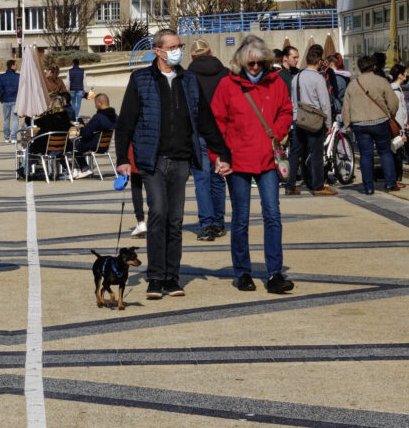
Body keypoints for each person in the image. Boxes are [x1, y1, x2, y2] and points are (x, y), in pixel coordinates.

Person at [115, 29, 204, 300]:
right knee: (158, 214)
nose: (177, 50)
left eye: (179, 45)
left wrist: (219, 153)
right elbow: (125, 122)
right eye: (172, 46)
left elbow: (204, 118)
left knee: (175, 221)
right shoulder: (140, 78)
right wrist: (122, 160)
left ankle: (171, 277)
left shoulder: (188, 79)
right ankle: (155, 277)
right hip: (152, 160)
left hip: (180, 160)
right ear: (157, 50)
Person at [208, 37, 295, 295]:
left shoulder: (276, 82)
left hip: (268, 159)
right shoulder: (227, 84)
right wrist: (218, 157)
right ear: (241, 62)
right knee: (241, 218)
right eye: (250, 63)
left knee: (272, 214)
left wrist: (276, 133)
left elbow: (286, 111)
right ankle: (243, 272)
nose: (255, 67)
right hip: (238, 160)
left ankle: (275, 272)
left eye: (260, 62)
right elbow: (217, 123)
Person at [186, 39, 232, 242]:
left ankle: (206, 225)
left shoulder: (187, 77)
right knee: (217, 177)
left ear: (192, 57)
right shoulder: (226, 74)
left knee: (201, 179)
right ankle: (219, 222)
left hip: (198, 134)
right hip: (222, 133)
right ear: (212, 52)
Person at [343, 52, 402, 195]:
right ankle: (390, 183)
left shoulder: (352, 84)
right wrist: (391, 114)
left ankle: (368, 187)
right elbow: (394, 102)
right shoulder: (381, 81)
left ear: (359, 68)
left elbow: (346, 107)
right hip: (380, 121)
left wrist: (348, 124)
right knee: (385, 152)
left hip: (360, 124)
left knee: (365, 155)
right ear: (374, 66)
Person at [293, 45, 336, 196]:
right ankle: (318, 186)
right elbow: (325, 103)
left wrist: (294, 118)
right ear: (318, 61)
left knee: (299, 153)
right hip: (315, 121)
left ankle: (296, 184)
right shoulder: (318, 78)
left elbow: (293, 101)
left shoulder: (296, 77)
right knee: (316, 154)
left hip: (299, 119)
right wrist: (329, 124)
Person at [277, 46, 303, 193]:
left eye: (298, 57)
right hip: (285, 118)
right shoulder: (281, 75)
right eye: (294, 57)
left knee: (296, 150)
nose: (297, 60)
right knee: (285, 149)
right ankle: (284, 176)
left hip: (297, 116)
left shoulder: (297, 73)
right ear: (285, 57)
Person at [70, 93, 116, 173]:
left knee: (73, 143)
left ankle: (84, 167)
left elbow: (85, 134)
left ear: (99, 103)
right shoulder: (115, 117)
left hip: (94, 144)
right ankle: (84, 167)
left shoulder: (98, 117)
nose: (95, 106)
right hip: (105, 145)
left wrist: (82, 128)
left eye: (95, 103)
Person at [0, 59, 21, 142]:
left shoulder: (2, 77)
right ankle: (13, 137)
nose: (17, 66)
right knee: (15, 120)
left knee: (6, 119)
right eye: (16, 65)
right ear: (12, 66)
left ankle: (6, 137)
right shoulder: (18, 76)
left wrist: (1, 99)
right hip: (15, 99)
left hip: (5, 100)